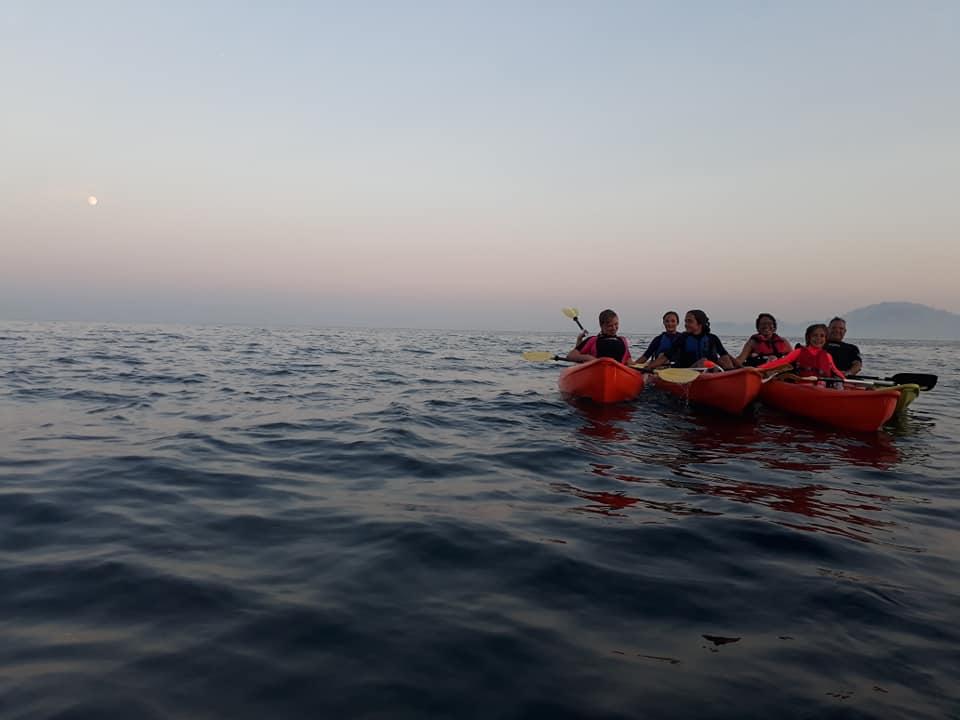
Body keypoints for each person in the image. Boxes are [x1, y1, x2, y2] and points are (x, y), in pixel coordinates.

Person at [646, 309, 735, 369]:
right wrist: (647, 368)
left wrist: (738, 370)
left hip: (710, 373)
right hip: (687, 374)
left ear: (699, 324)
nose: (686, 324)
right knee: (703, 361)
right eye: (685, 321)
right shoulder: (682, 338)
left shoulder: (713, 338)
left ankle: (731, 381)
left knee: (723, 360)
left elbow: (726, 357)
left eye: (689, 321)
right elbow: (664, 358)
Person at [758, 323, 845, 380]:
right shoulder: (799, 352)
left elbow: (836, 371)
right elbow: (781, 362)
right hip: (803, 385)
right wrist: (759, 368)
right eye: (815, 335)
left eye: (822, 336)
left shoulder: (827, 356)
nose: (818, 339)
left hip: (822, 385)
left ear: (826, 339)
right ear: (808, 338)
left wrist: (845, 380)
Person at [566, 309, 632, 364]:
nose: (614, 328)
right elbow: (570, 356)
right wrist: (589, 358)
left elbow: (629, 362)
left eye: (616, 324)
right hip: (596, 370)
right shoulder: (593, 340)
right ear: (601, 326)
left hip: (618, 374)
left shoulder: (623, 340)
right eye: (610, 326)